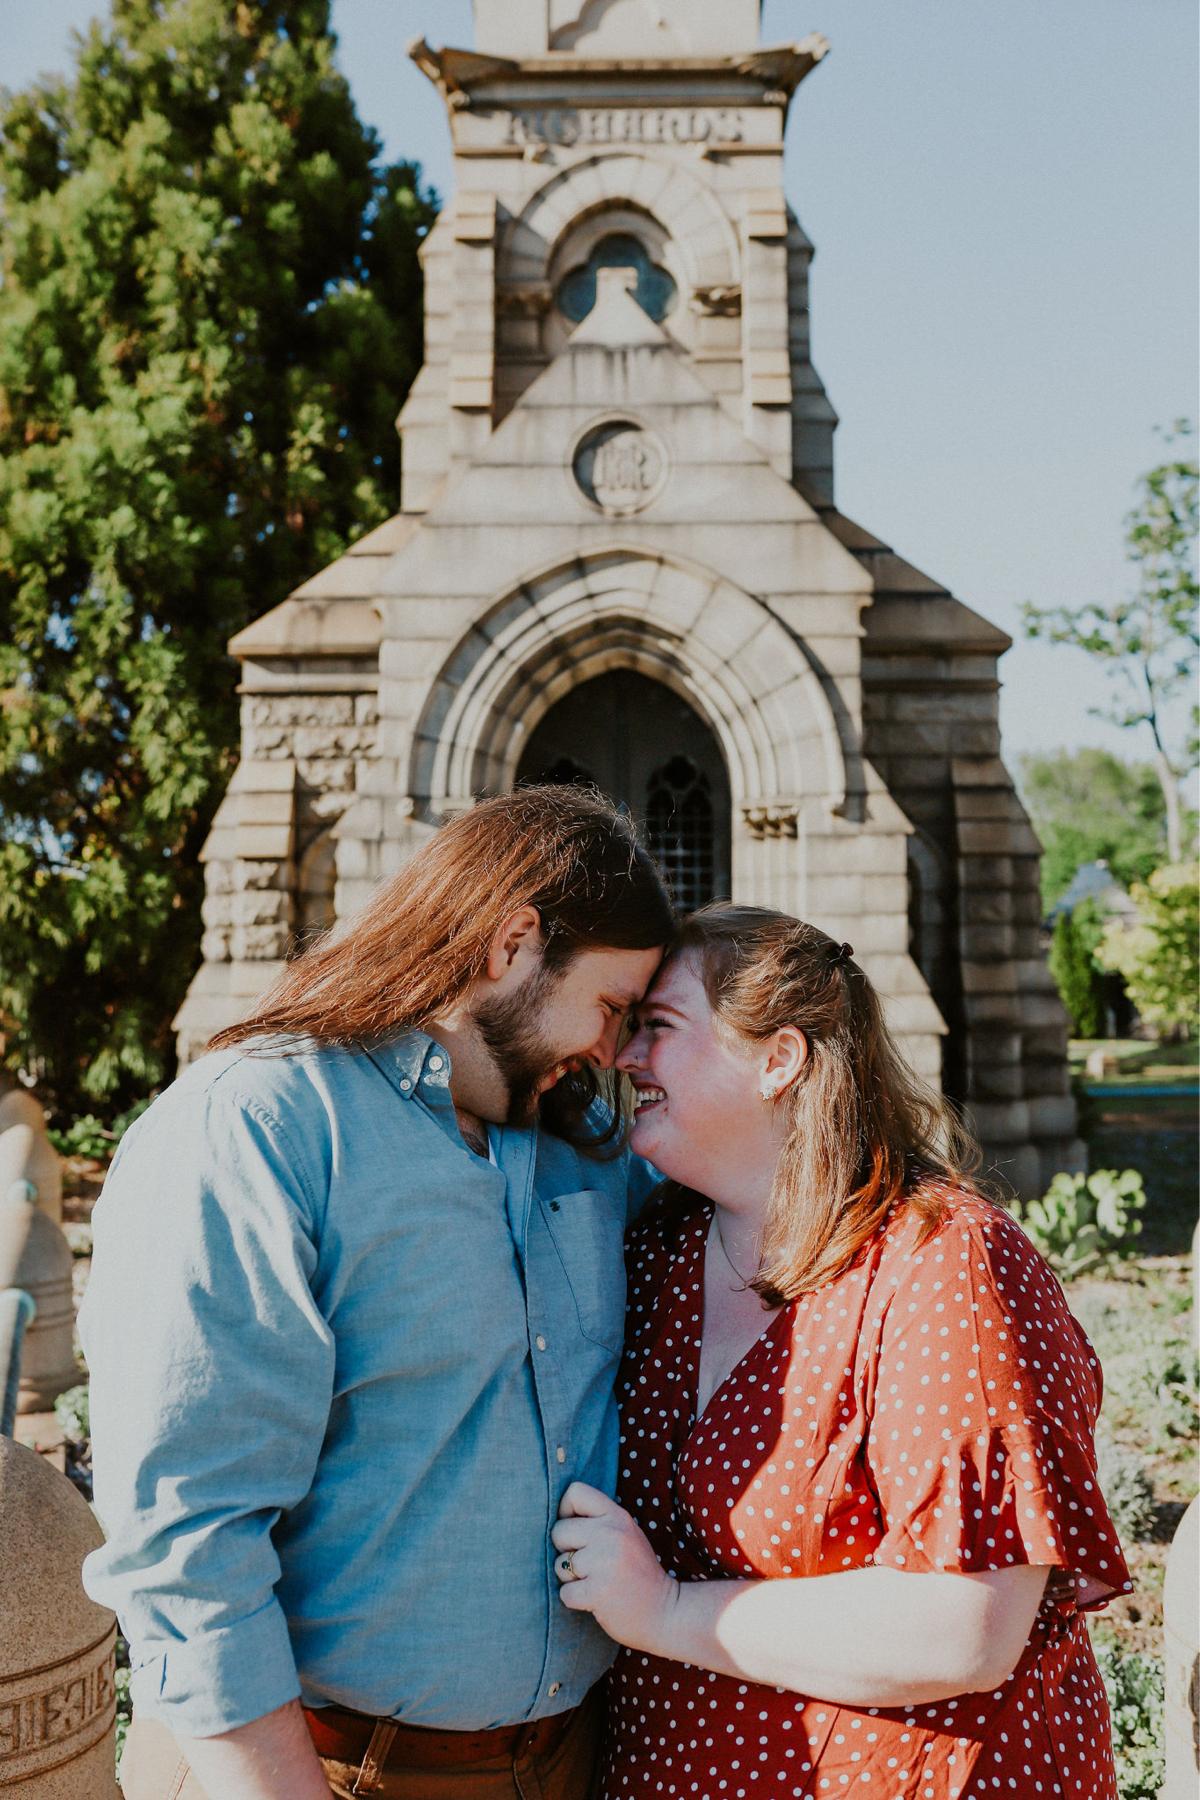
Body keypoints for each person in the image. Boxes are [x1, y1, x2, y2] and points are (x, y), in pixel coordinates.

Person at [80, 786, 674, 1800]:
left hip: (567, 1764)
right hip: (317, 1769)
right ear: (514, 944)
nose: (614, 1054)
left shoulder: (591, 1153)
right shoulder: (258, 1129)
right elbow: (186, 1536)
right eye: (612, 1009)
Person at [551, 904, 1131, 1800]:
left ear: (777, 1059)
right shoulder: (656, 1254)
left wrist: (664, 1610)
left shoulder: (943, 1264)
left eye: (658, 1029)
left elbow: (963, 1629)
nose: (625, 1056)